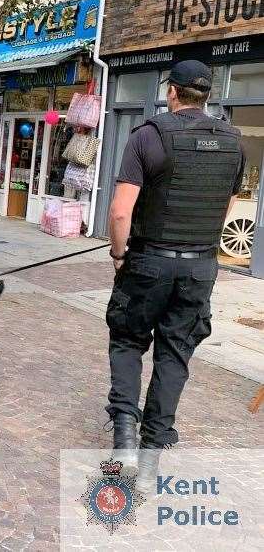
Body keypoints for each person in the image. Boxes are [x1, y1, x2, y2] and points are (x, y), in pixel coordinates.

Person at [105, 60, 244, 462]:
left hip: (149, 261)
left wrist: (119, 255)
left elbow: (119, 212)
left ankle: (126, 437)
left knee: (128, 340)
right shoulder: (234, 142)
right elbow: (226, 206)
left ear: (171, 92)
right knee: (176, 350)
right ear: (207, 95)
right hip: (200, 264)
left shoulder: (148, 136)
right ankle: (154, 441)